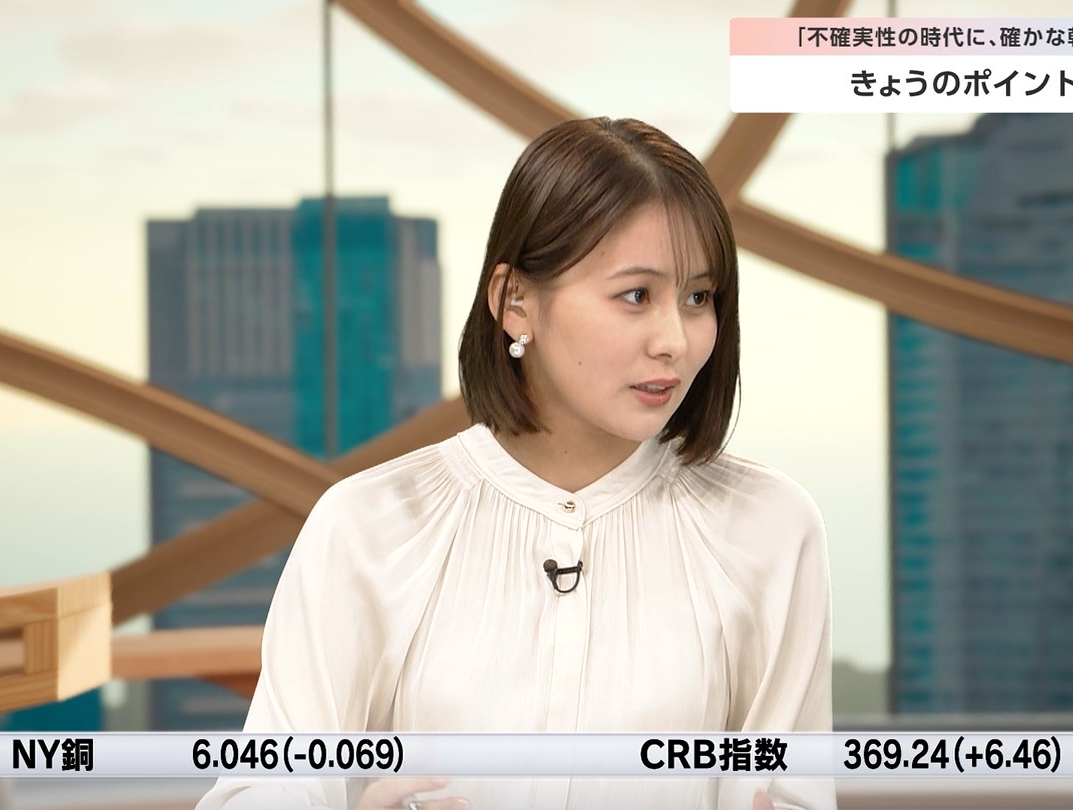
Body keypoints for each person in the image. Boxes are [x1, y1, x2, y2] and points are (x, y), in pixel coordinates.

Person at [196, 117, 833, 810]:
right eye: (636, 296)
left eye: (698, 298)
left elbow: (793, 791)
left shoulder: (768, 527)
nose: (675, 340)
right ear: (515, 302)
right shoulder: (368, 526)